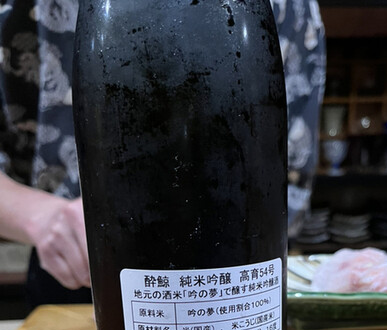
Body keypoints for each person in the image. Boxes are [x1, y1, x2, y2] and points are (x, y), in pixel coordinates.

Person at [0, 0, 325, 308]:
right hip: (76, 267)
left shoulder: (291, 8)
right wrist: (39, 216)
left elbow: (288, 168)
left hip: (246, 277)